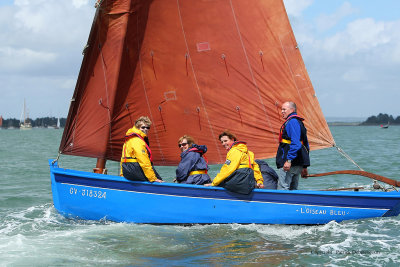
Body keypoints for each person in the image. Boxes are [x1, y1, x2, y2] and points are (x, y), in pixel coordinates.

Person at [276, 101, 310, 190]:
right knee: (293, 189)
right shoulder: (298, 122)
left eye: (284, 109)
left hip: (289, 163)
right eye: (281, 109)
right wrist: (304, 166)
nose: (282, 111)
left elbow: (296, 143)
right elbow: (306, 145)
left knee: (283, 188)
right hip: (297, 162)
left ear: (292, 110)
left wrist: (289, 160)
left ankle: (284, 203)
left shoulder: (292, 122)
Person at [120, 116, 163, 183]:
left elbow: (123, 157)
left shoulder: (129, 138)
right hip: (133, 170)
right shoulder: (137, 140)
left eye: (147, 127)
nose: (145, 129)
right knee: (159, 180)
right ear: (137, 127)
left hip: (127, 171)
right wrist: (152, 178)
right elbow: (143, 160)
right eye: (143, 127)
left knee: (155, 175)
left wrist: (122, 174)